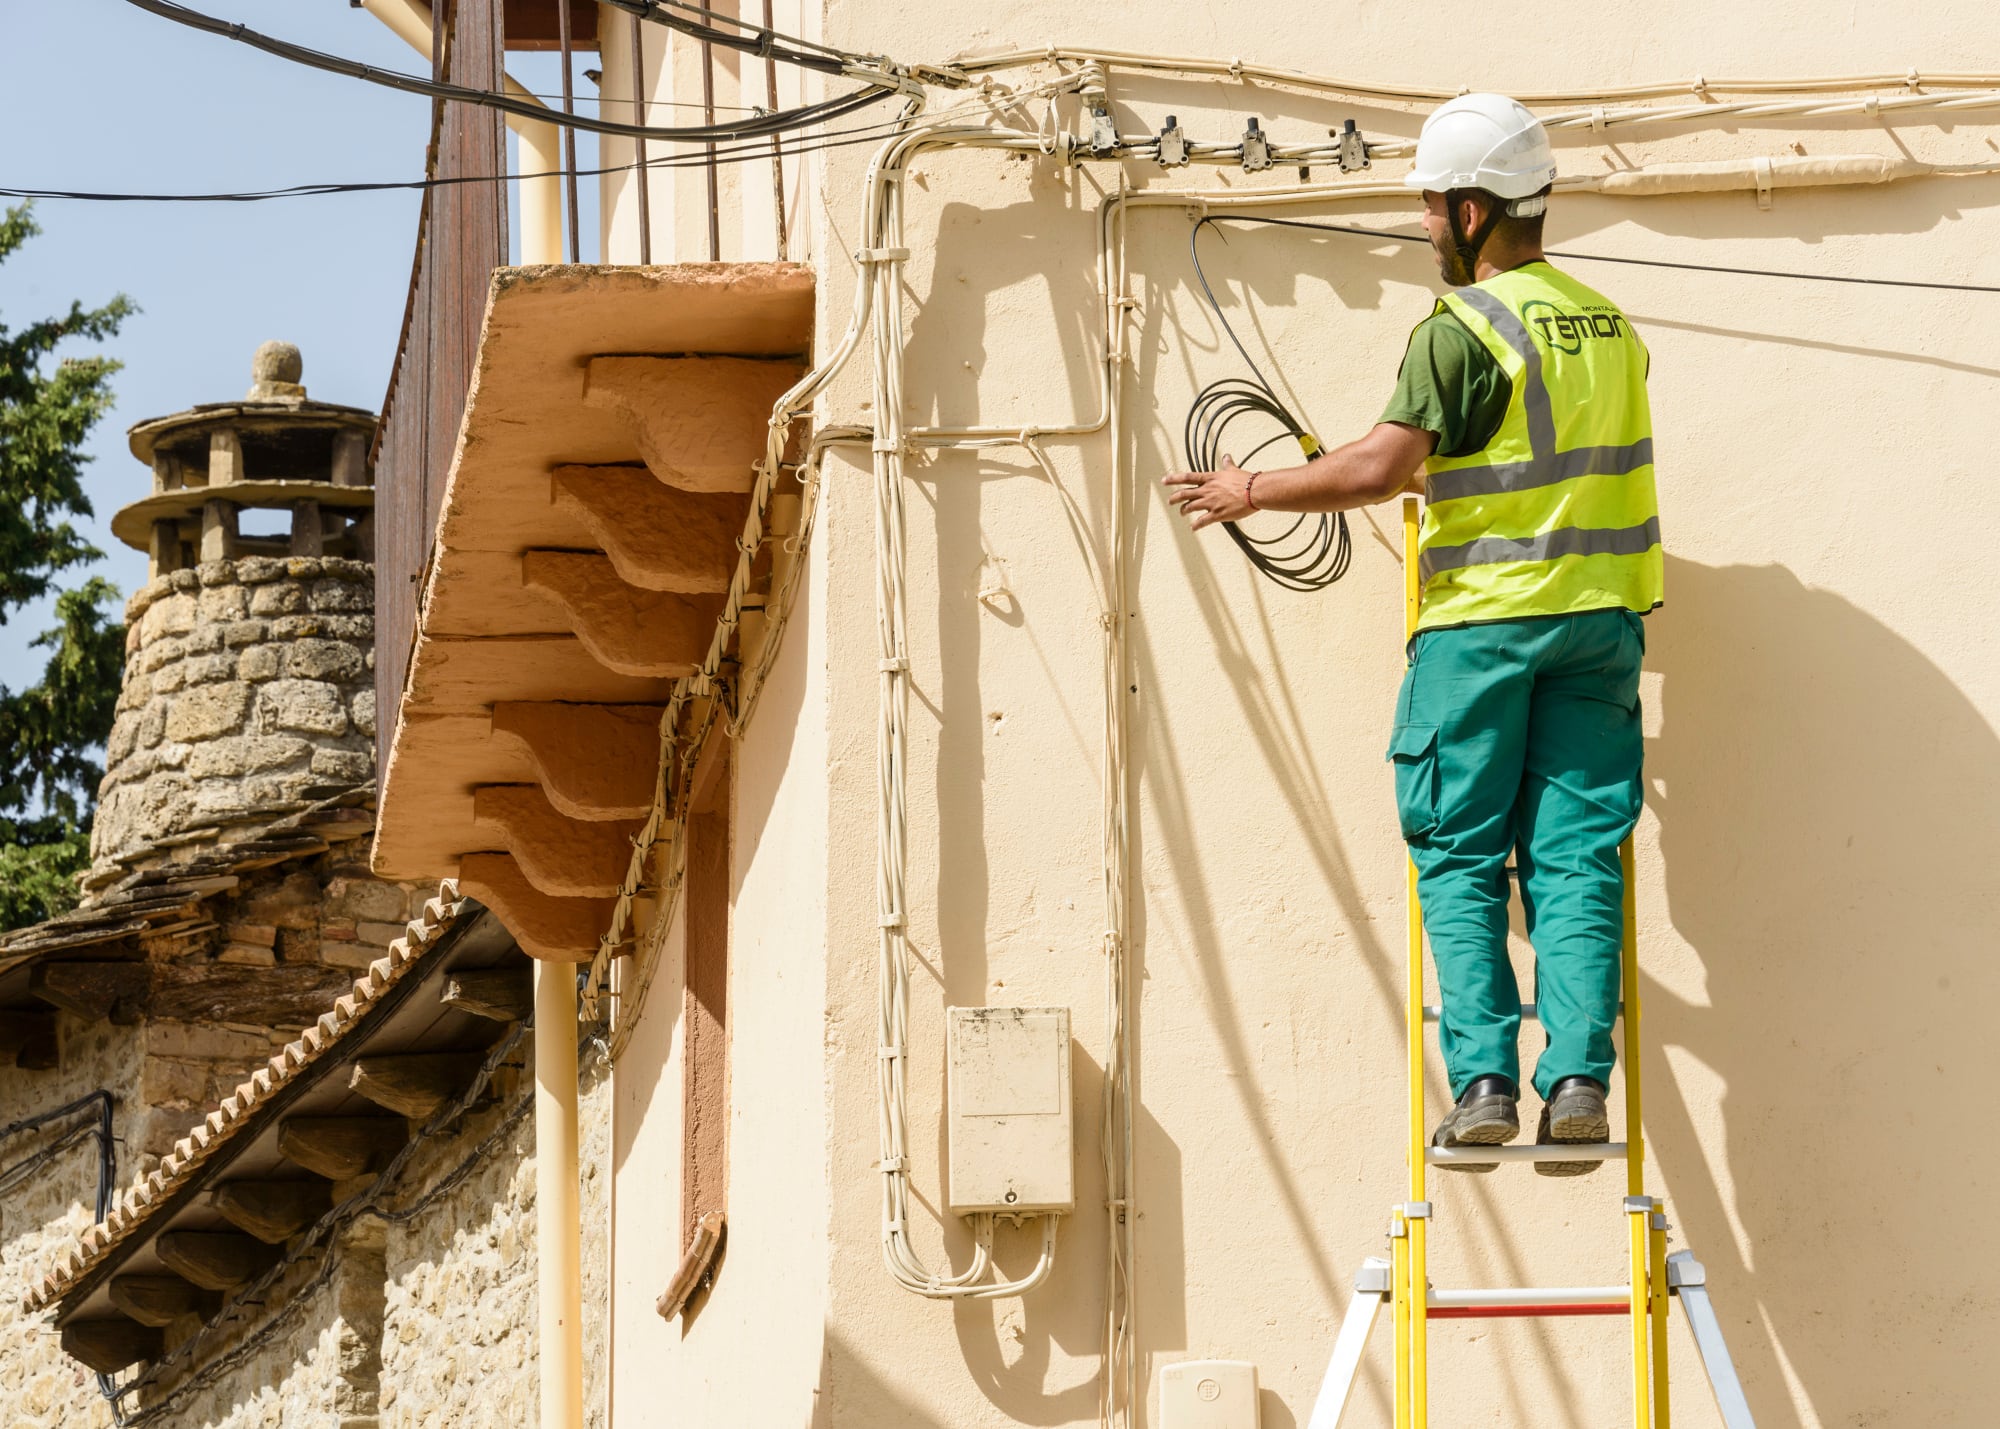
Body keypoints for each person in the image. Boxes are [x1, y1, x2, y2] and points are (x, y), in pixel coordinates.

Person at [1165, 94, 1661, 1175]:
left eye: (1434, 210)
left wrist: (1254, 488)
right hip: (1599, 630)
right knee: (1576, 858)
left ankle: (1481, 1083)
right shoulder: (1607, 327)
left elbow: (1377, 468)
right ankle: (1577, 1080)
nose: (1426, 227)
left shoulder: (1461, 330)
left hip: (1482, 630)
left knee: (1461, 852)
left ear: (1475, 210)